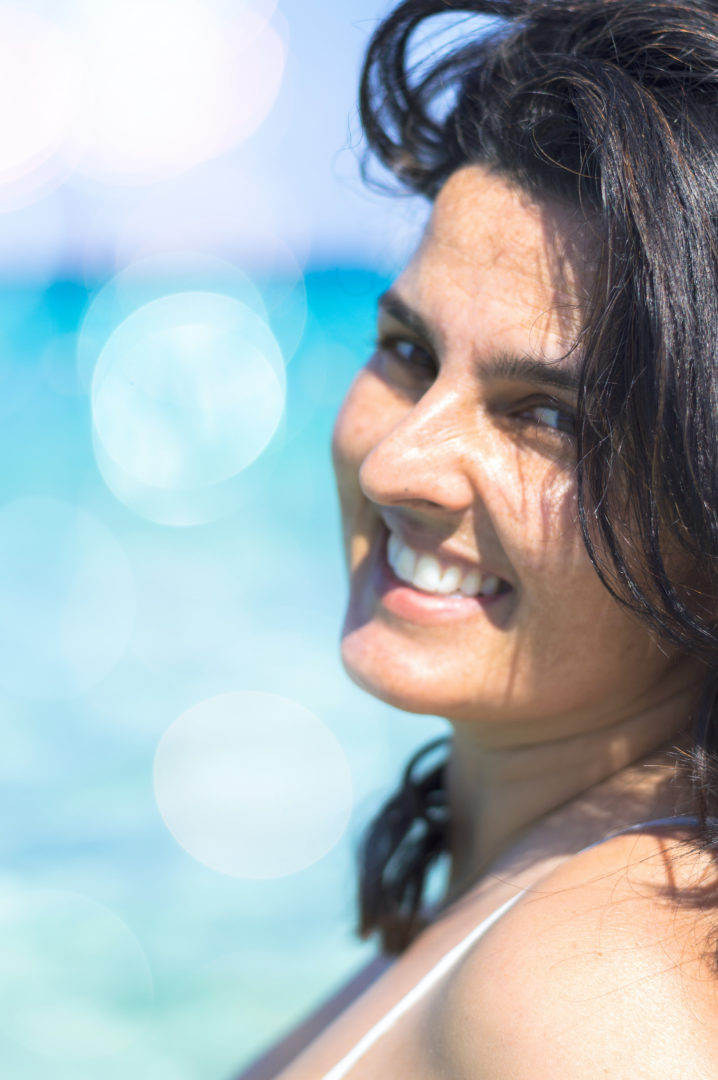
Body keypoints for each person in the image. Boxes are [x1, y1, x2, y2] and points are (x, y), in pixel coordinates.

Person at [239, 1, 718, 1076]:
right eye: (407, 351)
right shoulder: (554, 905)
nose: (390, 464)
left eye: (544, 415)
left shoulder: (594, 989)